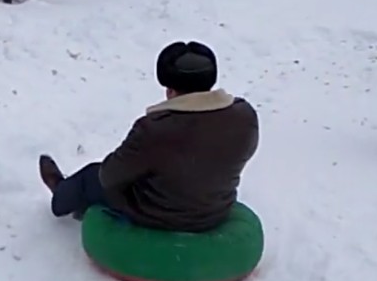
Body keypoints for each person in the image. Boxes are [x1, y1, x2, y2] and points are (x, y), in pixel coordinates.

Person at [37, 40, 260, 232]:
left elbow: (110, 175)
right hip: (215, 209)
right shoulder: (245, 115)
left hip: (159, 216)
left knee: (92, 177)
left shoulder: (156, 129)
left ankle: (60, 194)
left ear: (170, 90)